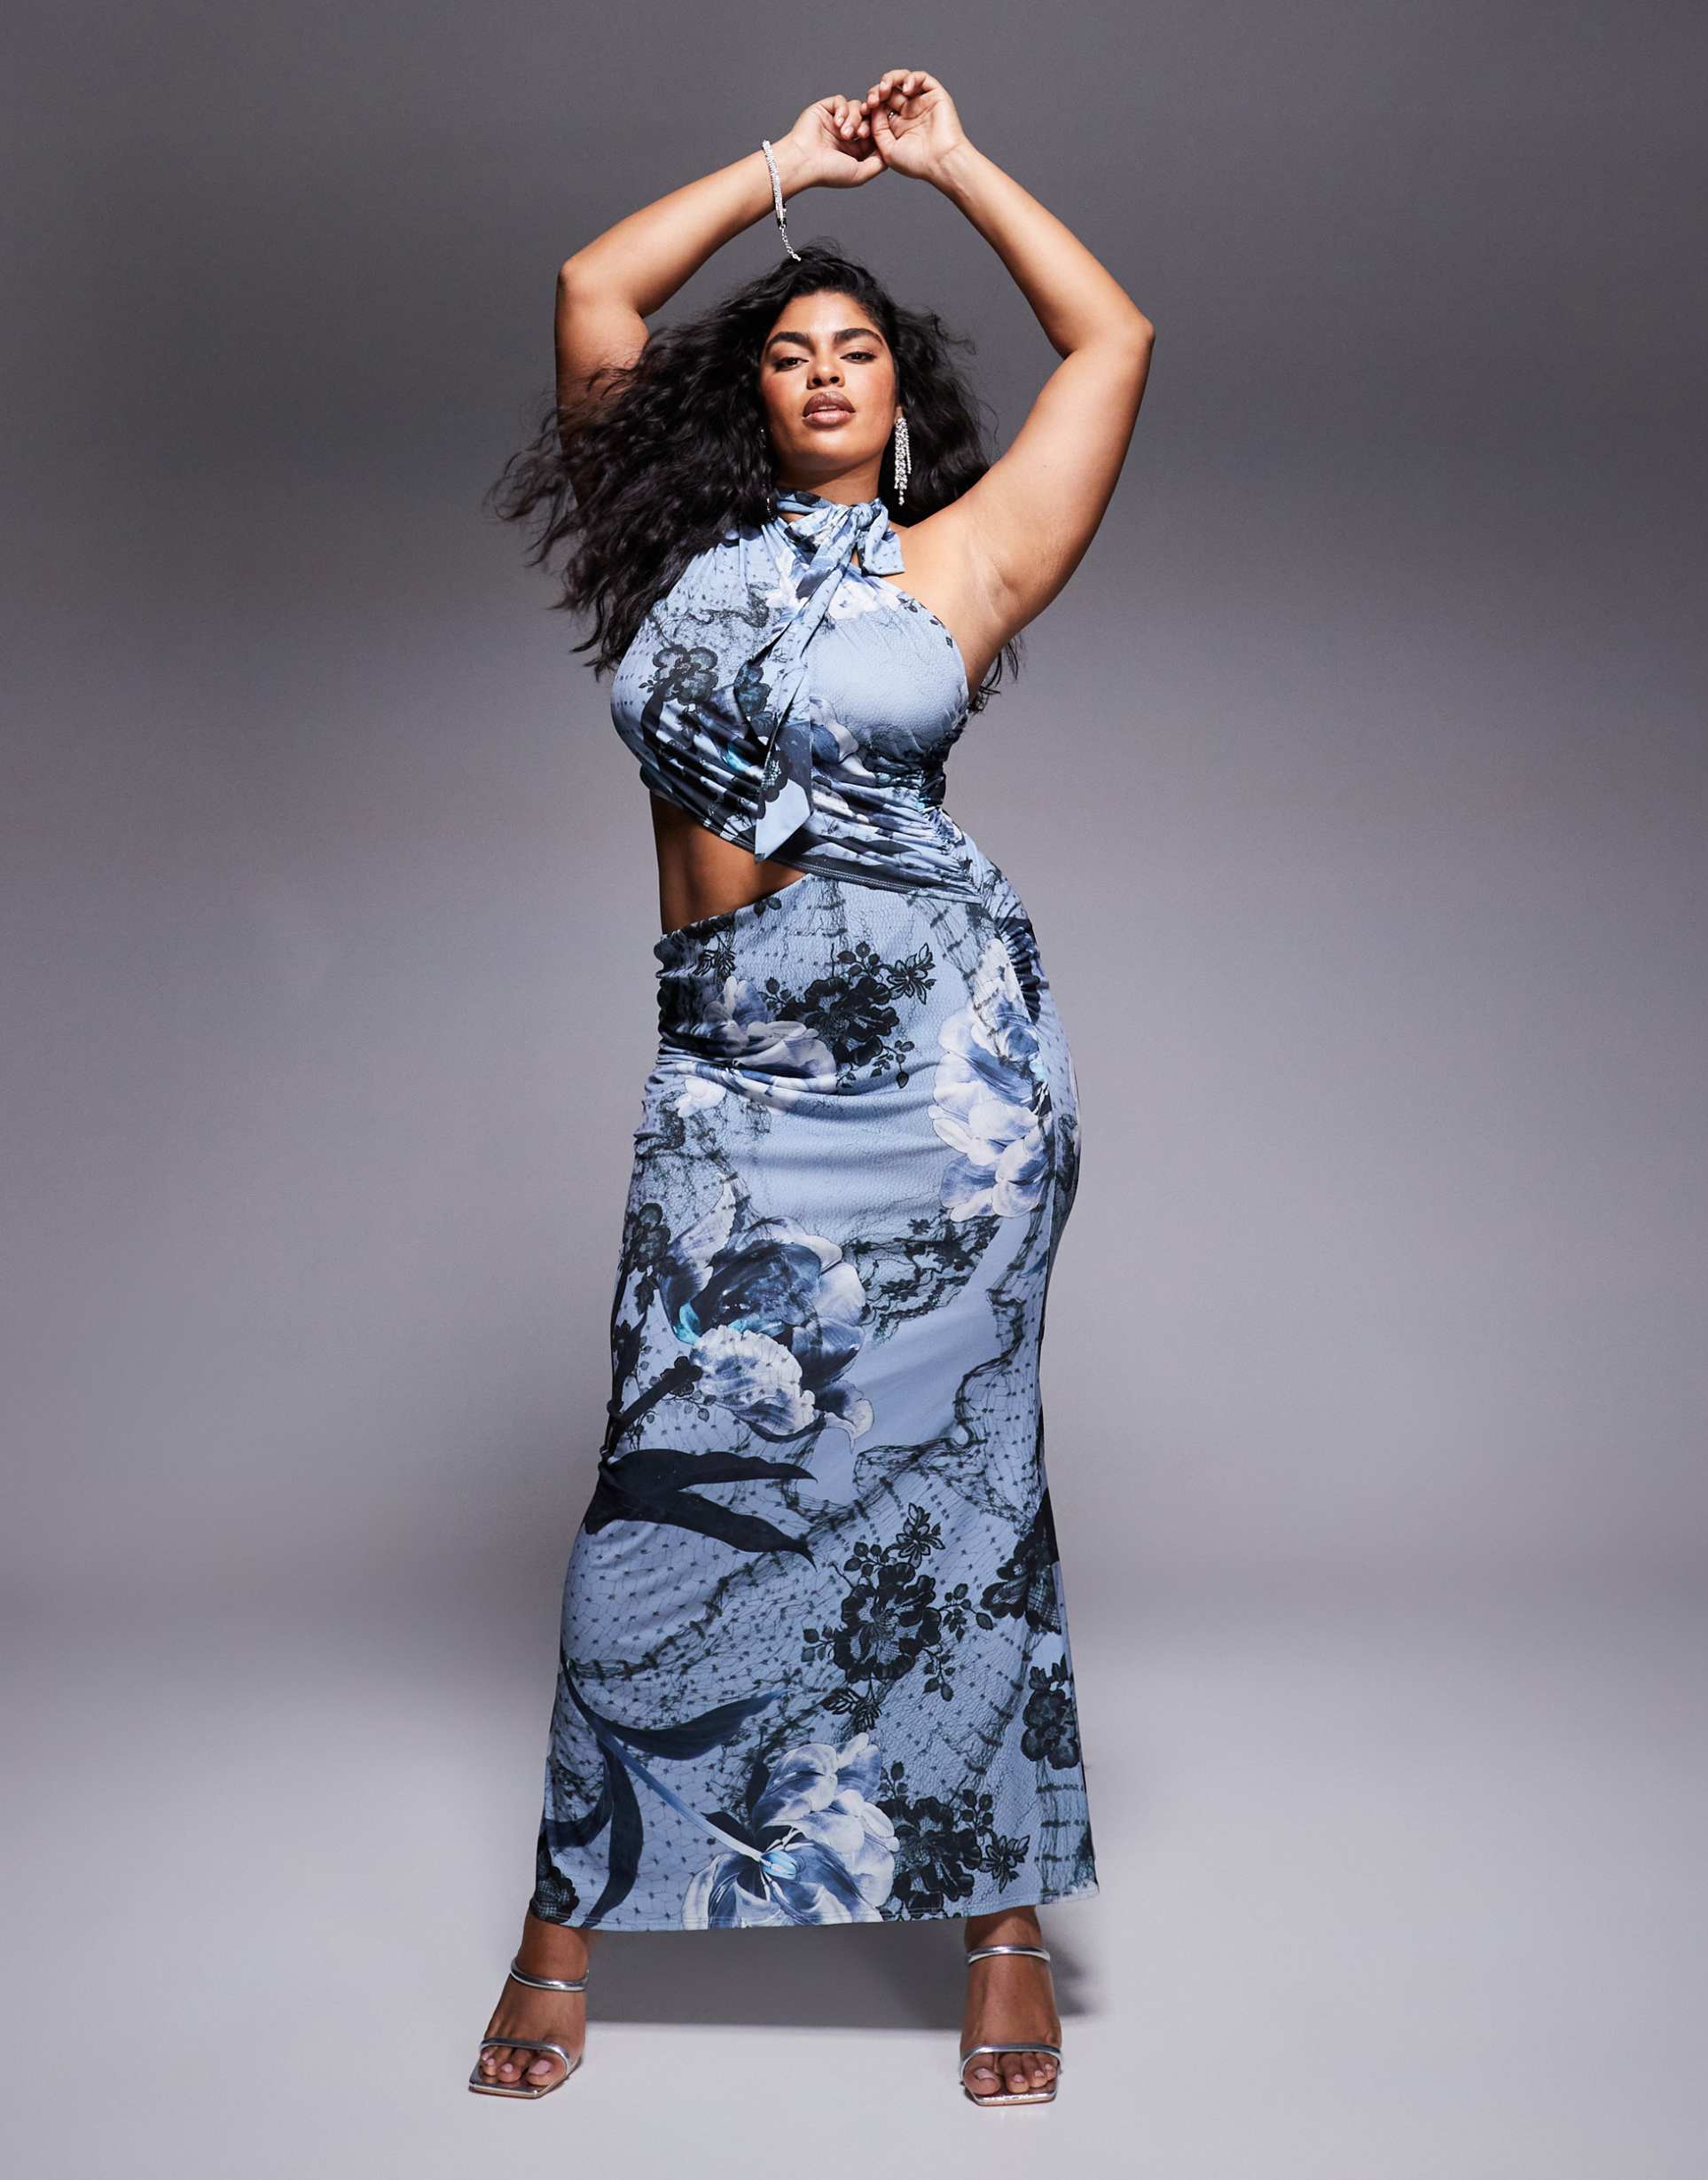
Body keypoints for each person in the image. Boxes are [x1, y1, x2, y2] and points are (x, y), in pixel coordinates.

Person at [472, 69, 1154, 2109]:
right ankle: (567, 1915)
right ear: (751, 396)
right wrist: (793, 164)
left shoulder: (964, 563)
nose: (828, 368)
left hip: (944, 1087)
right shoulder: (668, 556)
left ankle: (1001, 1919)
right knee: (663, 1480)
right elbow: (594, 287)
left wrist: (951, 166)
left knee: (959, 1494)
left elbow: (1113, 339)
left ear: (902, 397)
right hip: (731, 1076)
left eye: (860, 347)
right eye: (791, 349)